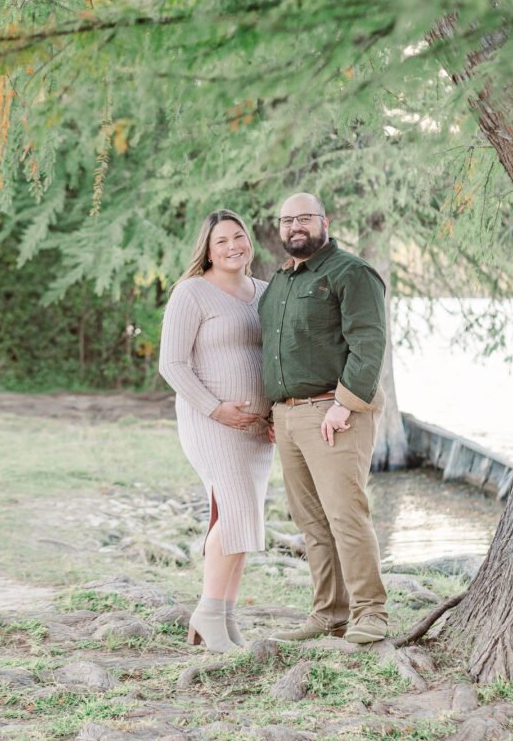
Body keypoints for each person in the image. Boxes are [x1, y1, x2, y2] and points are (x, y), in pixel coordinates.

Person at [258, 192, 388, 644]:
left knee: (345, 515)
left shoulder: (351, 273)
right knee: (312, 522)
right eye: (288, 219)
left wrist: (344, 404)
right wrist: (272, 411)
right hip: (289, 417)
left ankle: (371, 613)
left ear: (324, 221)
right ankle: (328, 614)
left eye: (305, 218)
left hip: (335, 413)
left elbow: (369, 344)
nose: (296, 226)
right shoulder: (279, 282)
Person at [159, 210, 274, 652]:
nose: (232, 246)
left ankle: (224, 617)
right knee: (237, 514)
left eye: (239, 237)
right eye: (222, 240)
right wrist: (215, 409)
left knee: (242, 521)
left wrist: (276, 412)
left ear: (249, 244)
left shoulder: (264, 293)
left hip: (256, 430)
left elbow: (278, 356)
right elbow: (172, 364)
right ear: (208, 249)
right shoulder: (192, 293)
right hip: (211, 423)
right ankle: (208, 613)